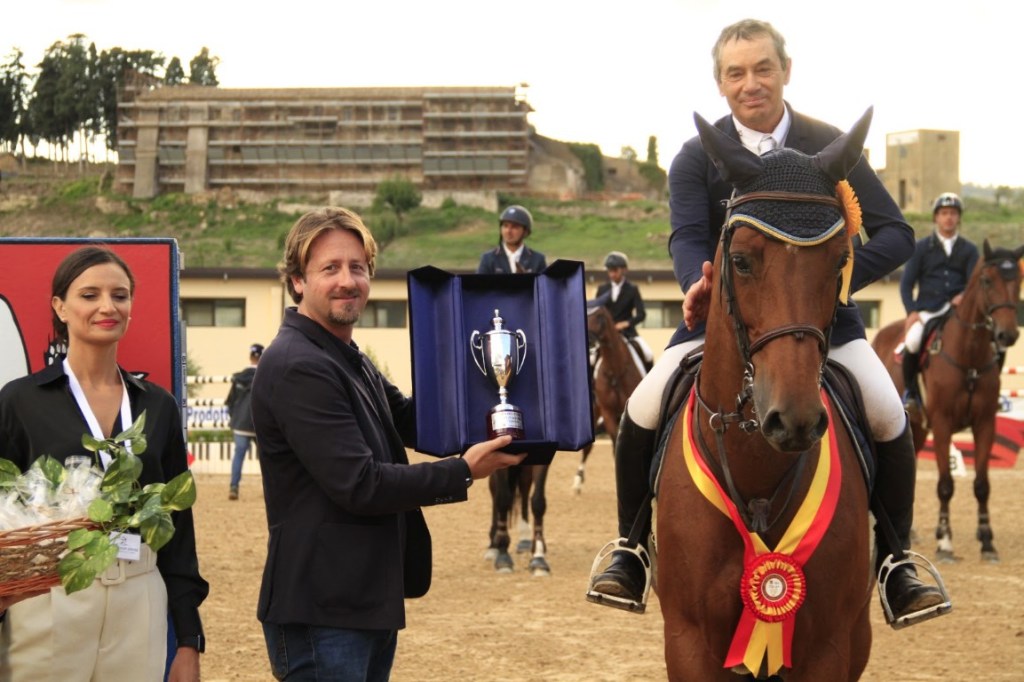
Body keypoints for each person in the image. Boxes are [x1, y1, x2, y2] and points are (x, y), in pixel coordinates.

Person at [588, 18, 947, 626]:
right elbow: (687, 235)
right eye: (736, 73)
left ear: (786, 71)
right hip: (722, 318)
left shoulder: (829, 143)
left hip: (824, 325)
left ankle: (895, 561)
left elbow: (896, 233)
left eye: (762, 68)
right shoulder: (696, 156)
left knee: (889, 414)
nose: (750, 83)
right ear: (720, 83)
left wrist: (829, 283)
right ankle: (631, 549)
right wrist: (697, 284)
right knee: (643, 409)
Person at [251, 206, 525, 681]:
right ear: (297, 281)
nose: (347, 281)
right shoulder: (299, 364)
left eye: (357, 267)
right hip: (323, 609)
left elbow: (415, 421)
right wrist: (463, 471)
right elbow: (361, 484)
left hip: (363, 600)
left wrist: (504, 401)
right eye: (330, 268)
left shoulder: (345, 356)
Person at [0, 246, 208, 681]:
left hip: (139, 597)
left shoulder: (158, 406)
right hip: (49, 596)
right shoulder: (20, 401)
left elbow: (178, 527)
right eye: (89, 295)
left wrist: (188, 638)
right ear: (60, 307)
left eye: (120, 295)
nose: (107, 307)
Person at [899, 192, 979, 409]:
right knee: (913, 341)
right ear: (936, 217)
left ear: (958, 217)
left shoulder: (970, 250)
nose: (948, 217)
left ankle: (989, 392)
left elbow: (974, 283)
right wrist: (911, 311)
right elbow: (906, 284)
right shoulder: (921, 248)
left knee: (987, 340)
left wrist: (964, 296)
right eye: (944, 213)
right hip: (928, 311)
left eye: (953, 213)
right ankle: (911, 393)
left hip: (958, 311)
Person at [595, 251, 653, 373]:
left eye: (615, 270)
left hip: (628, 333)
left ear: (624, 270)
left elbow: (641, 314)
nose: (612, 274)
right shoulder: (602, 289)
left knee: (648, 354)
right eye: (610, 271)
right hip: (607, 335)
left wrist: (626, 323)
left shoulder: (632, 289)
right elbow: (597, 312)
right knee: (591, 359)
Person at [226, 342, 264, 500]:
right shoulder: (266, 375)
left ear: (250, 357)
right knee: (267, 458)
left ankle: (234, 487)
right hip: (260, 424)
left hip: (241, 423)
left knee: (239, 456)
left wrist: (234, 418)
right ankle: (270, 489)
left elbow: (230, 401)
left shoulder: (239, 377)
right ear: (262, 357)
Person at [477, 204, 547, 274]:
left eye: (514, 227)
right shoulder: (488, 259)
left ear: (525, 232)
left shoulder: (537, 259)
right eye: (505, 226)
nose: (508, 231)